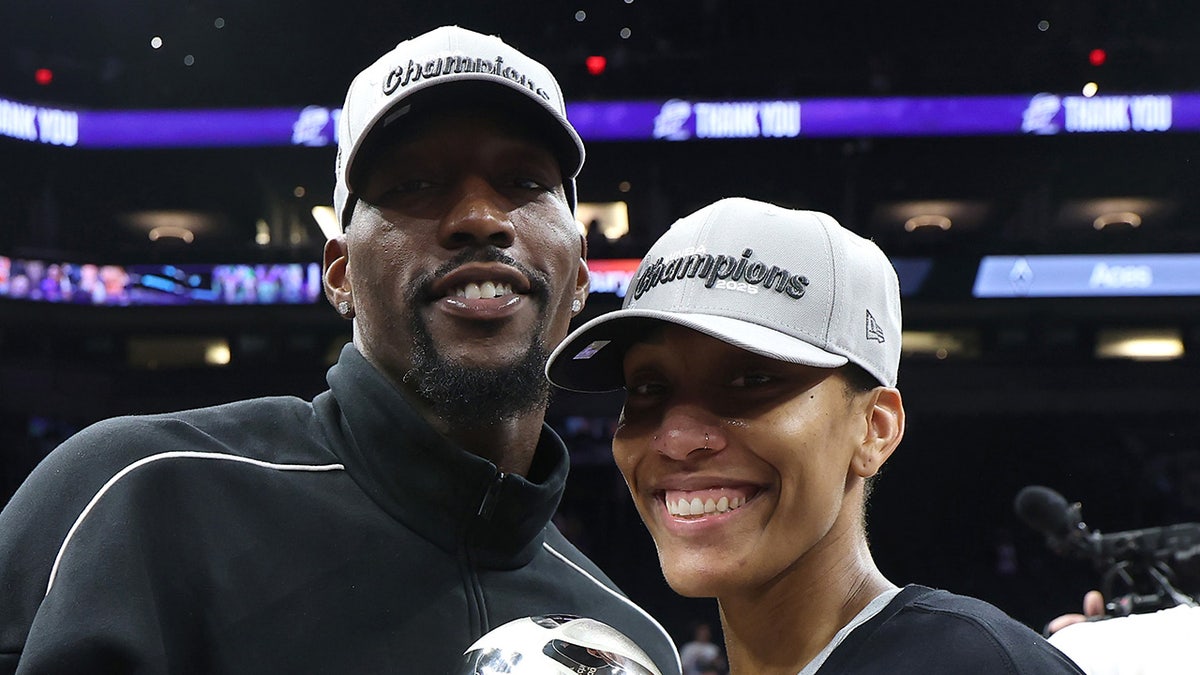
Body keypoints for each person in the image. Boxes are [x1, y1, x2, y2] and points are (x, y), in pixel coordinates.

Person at [0, 26, 680, 674]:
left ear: (584, 272)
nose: (479, 218)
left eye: (525, 182)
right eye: (414, 183)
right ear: (340, 273)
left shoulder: (627, 643)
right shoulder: (127, 496)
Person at [546, 197, 1085, 674]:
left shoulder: (982, 665)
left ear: (874, 429)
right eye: (648, 387)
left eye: (752, 379)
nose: (678, 437)